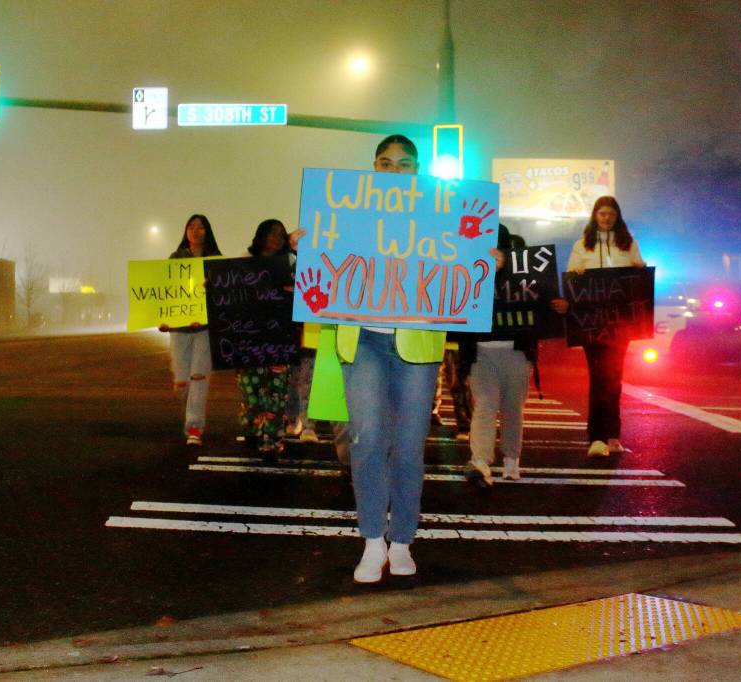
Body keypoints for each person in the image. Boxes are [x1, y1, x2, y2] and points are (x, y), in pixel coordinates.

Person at [291, 135, 455, 583]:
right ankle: (370, 541)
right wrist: (304, 244)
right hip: (360, 340)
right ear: (373, 169)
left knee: (407, 445)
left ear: (418, 171)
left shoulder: (440, 216)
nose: (394, 171)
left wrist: (487, 259)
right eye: (385, 163)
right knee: (365, 440)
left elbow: (462, 263)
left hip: (416, 346)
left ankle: (401, 539)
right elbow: (319, 266)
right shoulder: (346, 216)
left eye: (404, 164)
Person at [461, 226, 567, 487]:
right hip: (481, 351)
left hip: (517, 350)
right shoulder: (468, 268)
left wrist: (559, 306)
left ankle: (511, 459)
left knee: (511, 409)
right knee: (485, 405)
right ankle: (480, 460)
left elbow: (543, 298)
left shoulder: (525, 270)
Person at [565, 196, 646, 458]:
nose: (606, 218)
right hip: (592, 325)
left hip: (619, 325)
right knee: (598, 378)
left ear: (617, 216)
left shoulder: (628, 243)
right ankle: (596, 437)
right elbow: (571, 279)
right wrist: (576, 273)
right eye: (602, 214)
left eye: (610, 213)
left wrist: (640, 268)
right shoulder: (582, 245)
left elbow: (637, 277)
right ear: (595, 216)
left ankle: (612, 435)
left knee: (614, 379)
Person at [161, 214, 222, 446]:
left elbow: (228, 292)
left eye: (201, 227)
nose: (196, 231)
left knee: (199, 377)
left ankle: (194, 427)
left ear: (207, 231)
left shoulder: (216, 260)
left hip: (206, 328)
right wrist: (163, 319)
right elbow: (164, 293)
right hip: (179, 328)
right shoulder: (175, 258)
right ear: (185, 231)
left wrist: (213, 285)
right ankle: (190, 406)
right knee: (182, 381)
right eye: (191, 227)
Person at [237, 218, 295, 460]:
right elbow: (229, 293)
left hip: (279, 338)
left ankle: (271, 442)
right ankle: (251, 427)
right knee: (251, 393)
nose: (276, 237)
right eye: (271, 232)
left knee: (276, 393)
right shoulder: (244, 262)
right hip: (249, 339)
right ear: (260, 235)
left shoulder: (291, 264)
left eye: (281, 234)